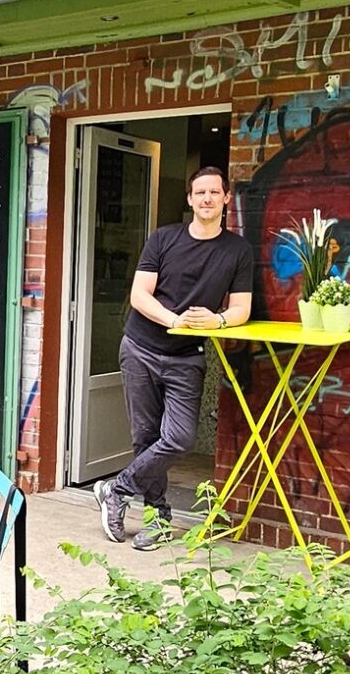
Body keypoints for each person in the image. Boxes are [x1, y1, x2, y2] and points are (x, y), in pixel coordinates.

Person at [96, 165, 252, 550]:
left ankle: (116, 489)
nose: (207, 199)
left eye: (215, 193)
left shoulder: (237, 251)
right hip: (141, 348)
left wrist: (216, 321)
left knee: (178, 438)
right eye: (200, 193)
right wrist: (175, 320)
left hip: (187, 357)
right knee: (145, 438)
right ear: (190, 199)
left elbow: (241, 309)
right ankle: (158, 518)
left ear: (226, 198)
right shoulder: (163, 239)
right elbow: (140, 296)